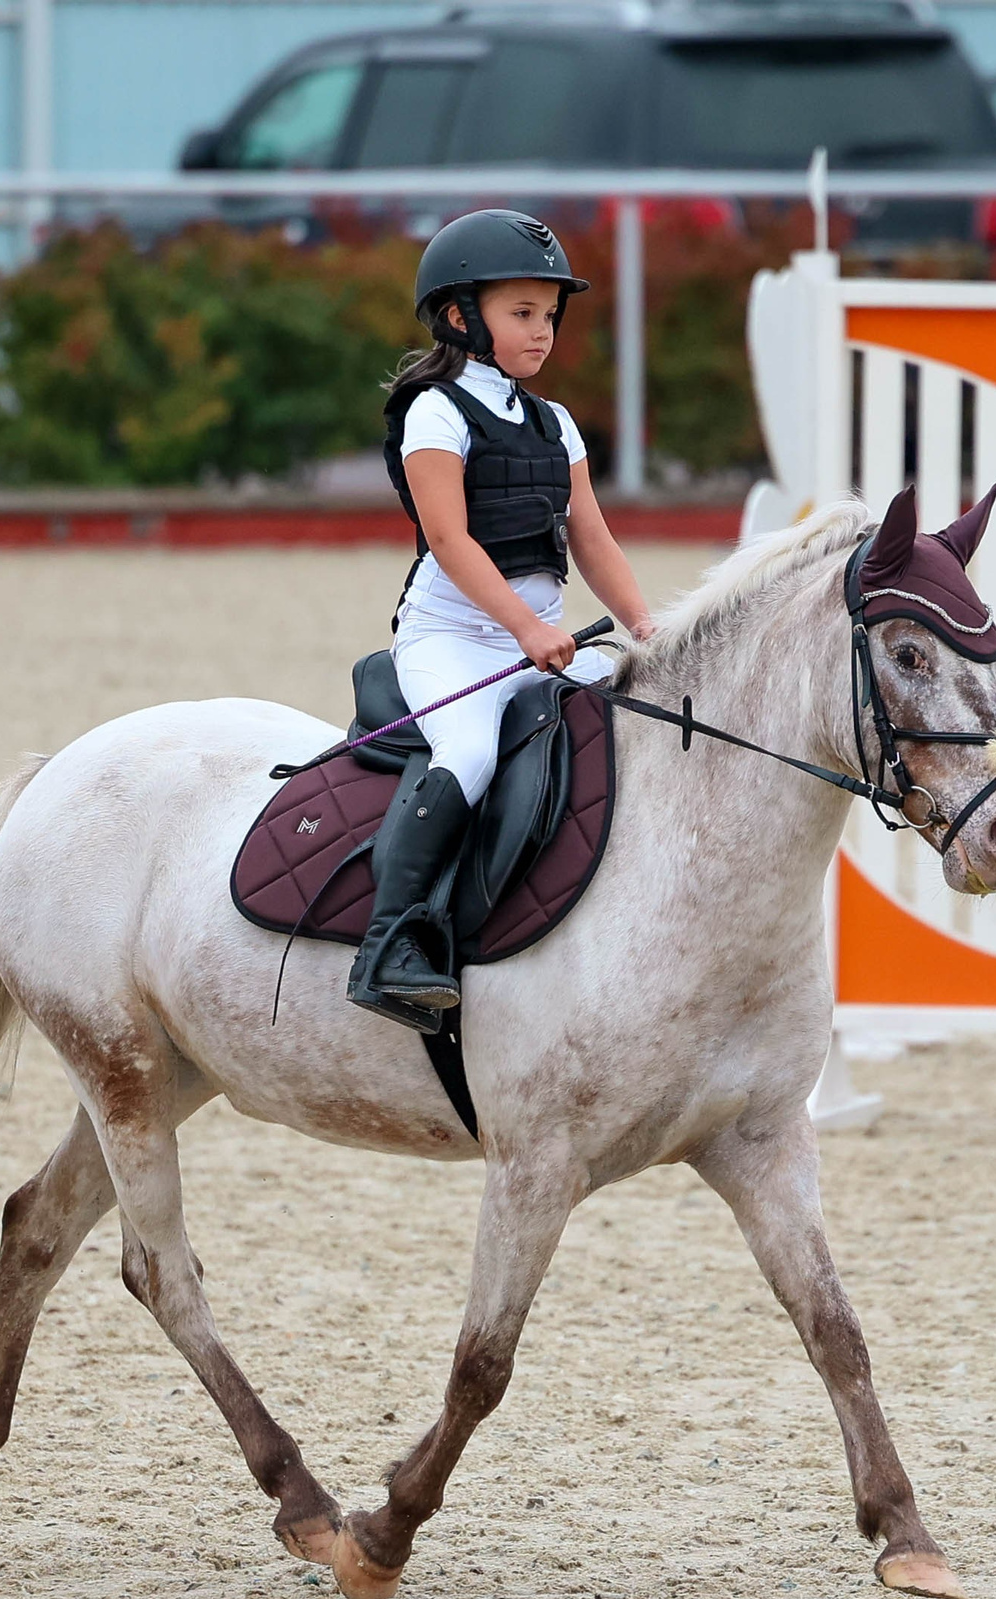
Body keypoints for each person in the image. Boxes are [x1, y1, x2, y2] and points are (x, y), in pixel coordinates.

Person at [349, 209, 655, 1030]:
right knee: (472, 748)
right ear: (460, 317)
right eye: (522, 312)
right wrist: (525, 629)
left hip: (542, 638)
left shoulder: (555, 424)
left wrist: (650, 630)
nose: (542, 331)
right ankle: (391, 945)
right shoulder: (435, 414)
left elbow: (591, 537)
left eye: (549, 315)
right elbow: (448, 539)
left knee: (643, 722)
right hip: (454, 641)